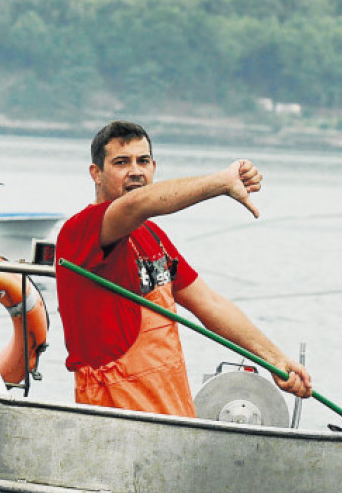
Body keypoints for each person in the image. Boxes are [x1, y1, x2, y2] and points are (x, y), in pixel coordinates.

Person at [55, 120, 313, 417]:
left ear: (154, 166)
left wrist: (276, 360)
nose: (136, 171)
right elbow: (136, 206)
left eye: (143, 161)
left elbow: (210, 304)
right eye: (121, 162)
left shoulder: (153, 237)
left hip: (172, 418)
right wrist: (220, 182)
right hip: (114, 422)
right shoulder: (81, 230)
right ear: (96, 174)